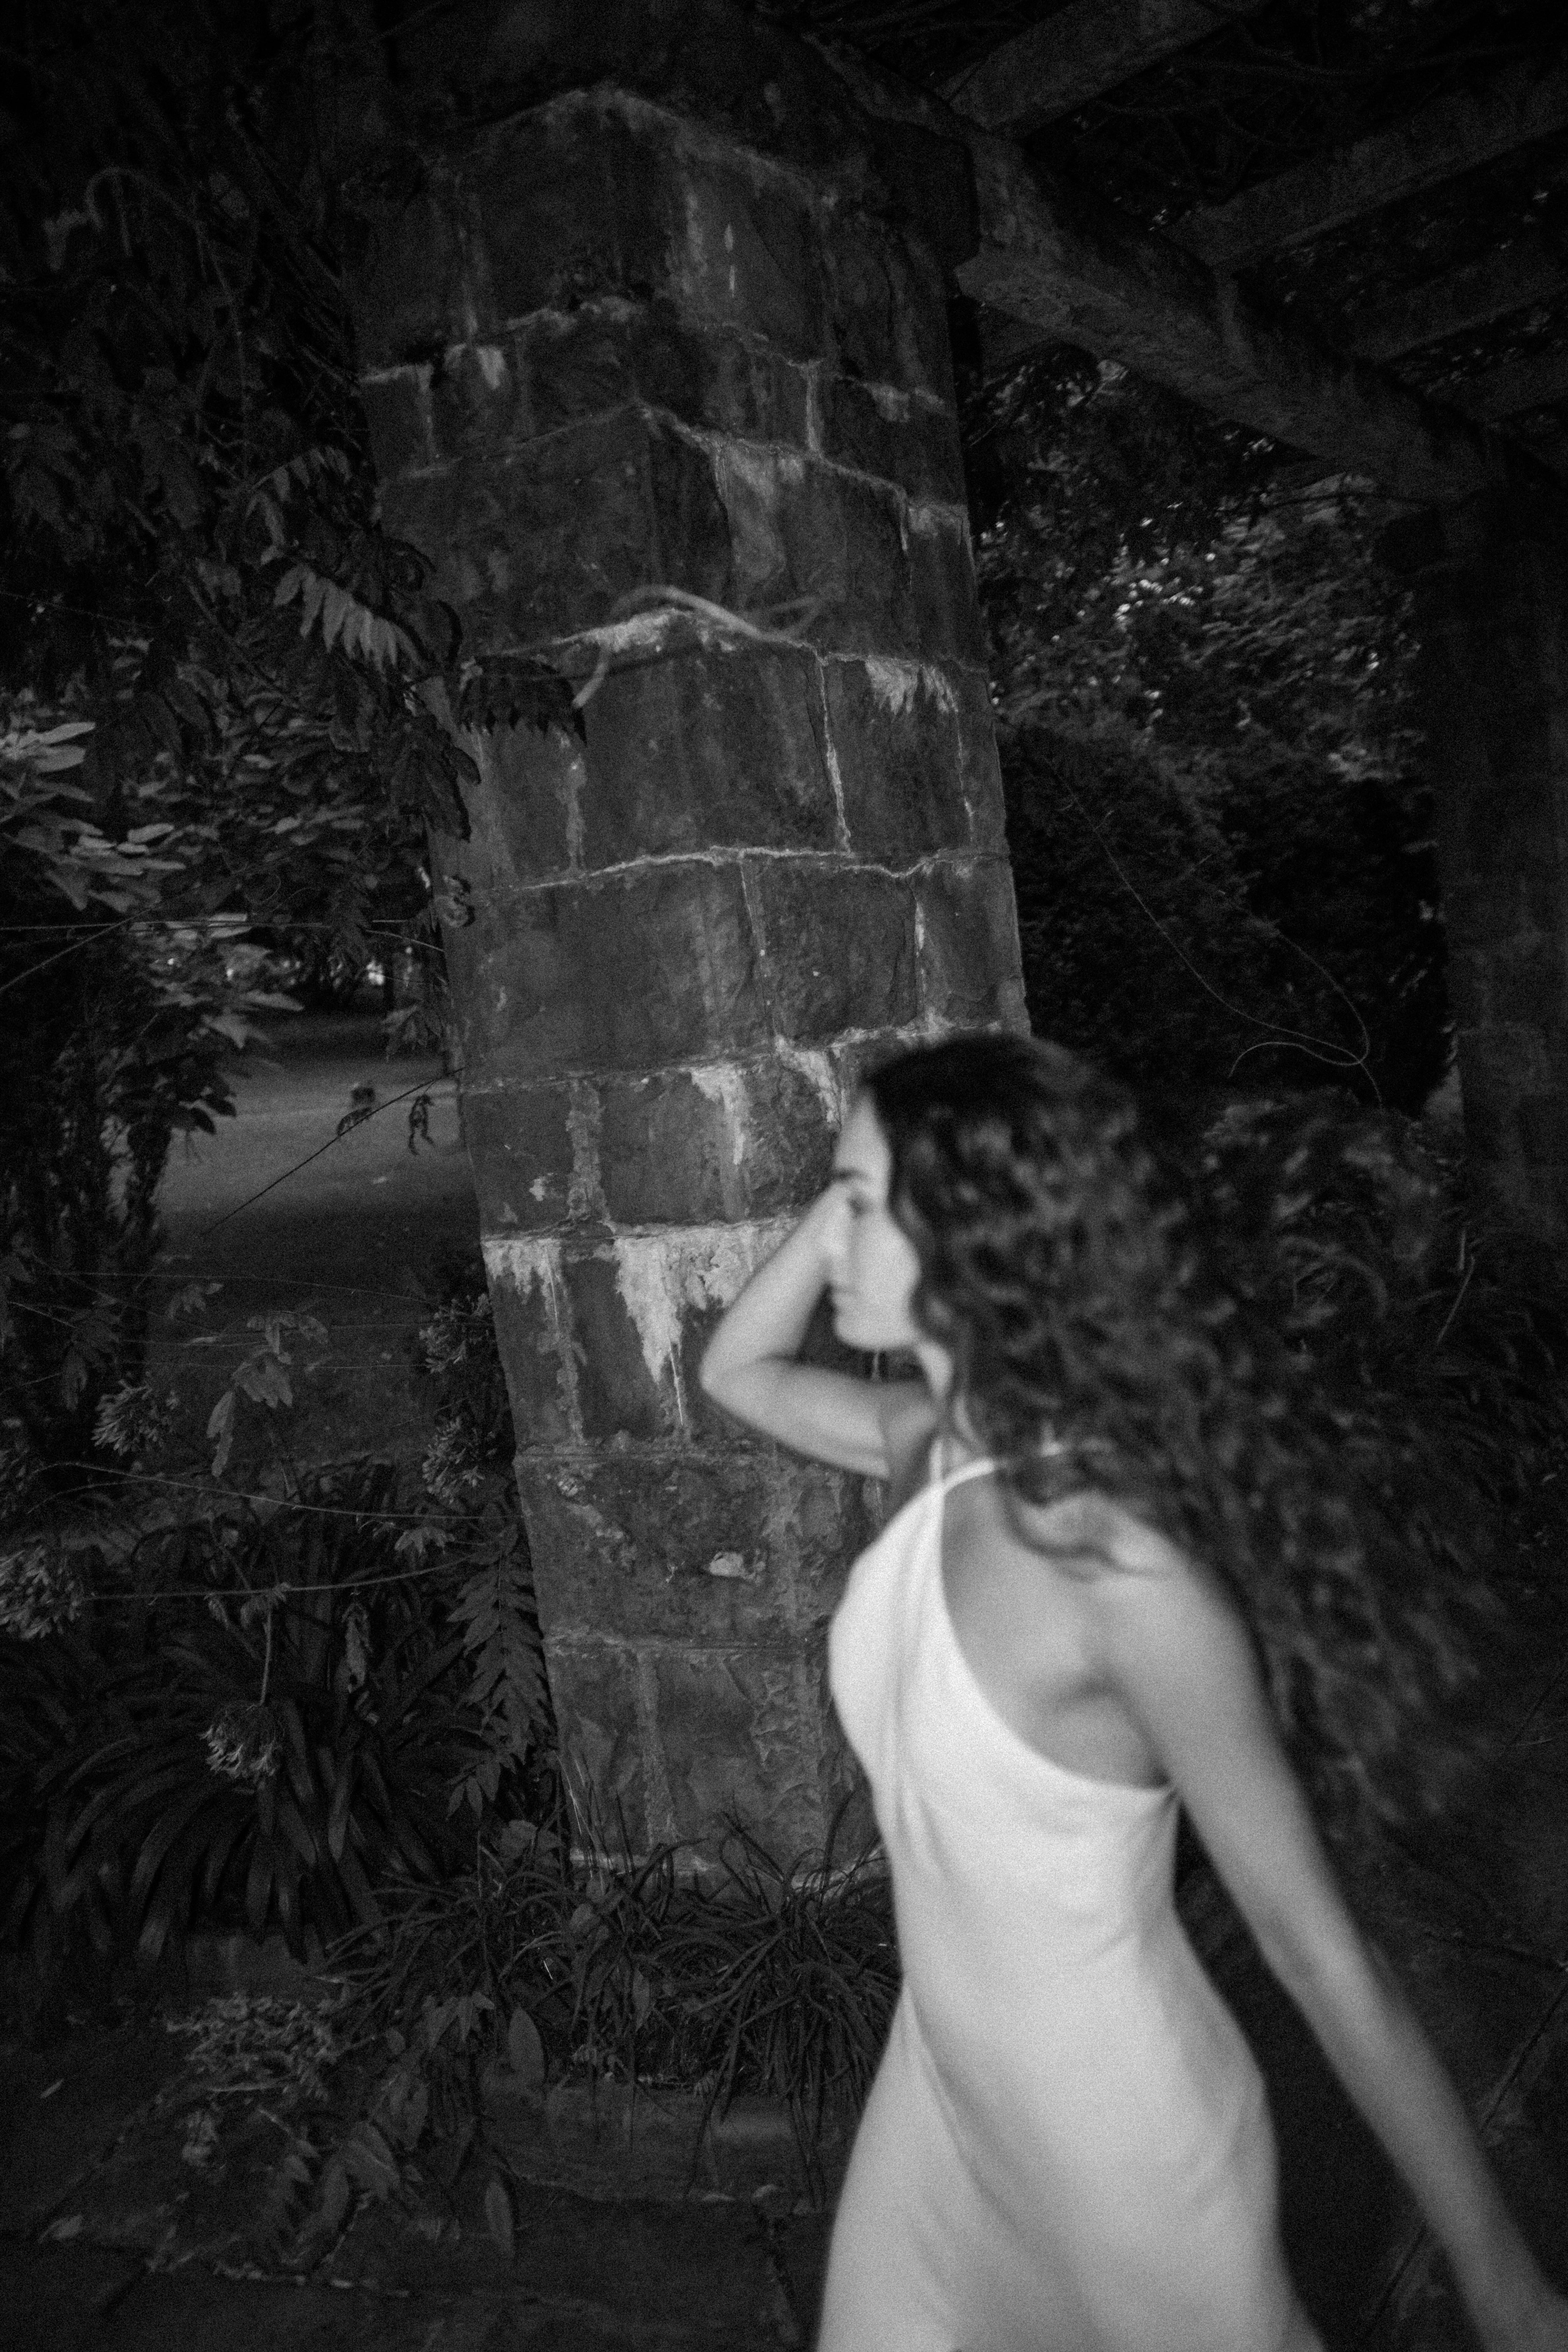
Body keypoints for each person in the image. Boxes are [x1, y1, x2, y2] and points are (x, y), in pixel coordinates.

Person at [699, 1033, 1568, 2352]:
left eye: (863, 1205)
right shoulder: (922, 1446)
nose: (832, 1243)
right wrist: (868, 1180)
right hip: (938, 2098)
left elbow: (1318, 1950)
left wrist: (1499, 2279)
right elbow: (733, 1375)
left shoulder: (1115, 1569)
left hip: (1120, 2148)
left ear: (979, 1235)